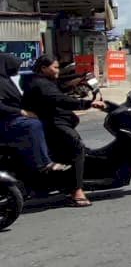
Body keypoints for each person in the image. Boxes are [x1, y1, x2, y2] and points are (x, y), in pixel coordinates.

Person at [22, 55, 105, 206]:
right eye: (55, 67)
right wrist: (87, 104)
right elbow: (60, 99)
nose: (57, 70)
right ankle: (77, 192)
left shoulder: (40, 81)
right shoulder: (41, 85)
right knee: (77, 149)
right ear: (44, 68)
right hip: (51, 122)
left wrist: (79, 79)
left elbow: (60, 84)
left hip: (52, 120)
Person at [0, 54, 70, 176]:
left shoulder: (6, 80)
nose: (17, 70)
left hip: (12, 118)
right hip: (5, 121)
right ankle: (43, 164)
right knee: (34, 125)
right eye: (14, 67)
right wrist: (22, 112)